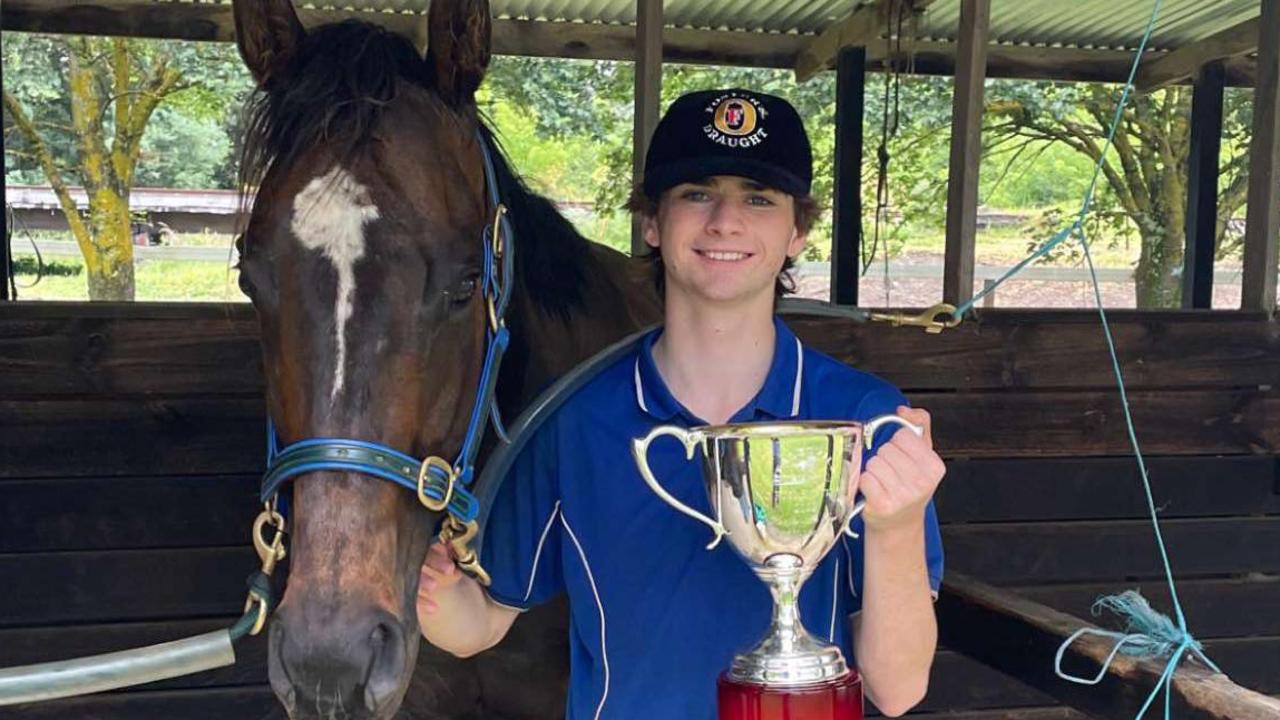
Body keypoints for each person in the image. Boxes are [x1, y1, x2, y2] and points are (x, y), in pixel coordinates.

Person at [418, 88, 946, 719]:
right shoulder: (578, 421)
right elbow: (477, 624)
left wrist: (896, 526)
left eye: (759, 197)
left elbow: (898, 688)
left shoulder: (863, 418)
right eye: (697, 193)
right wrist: (432, 586)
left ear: (797, 231)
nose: (726, 220)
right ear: (650, 221)